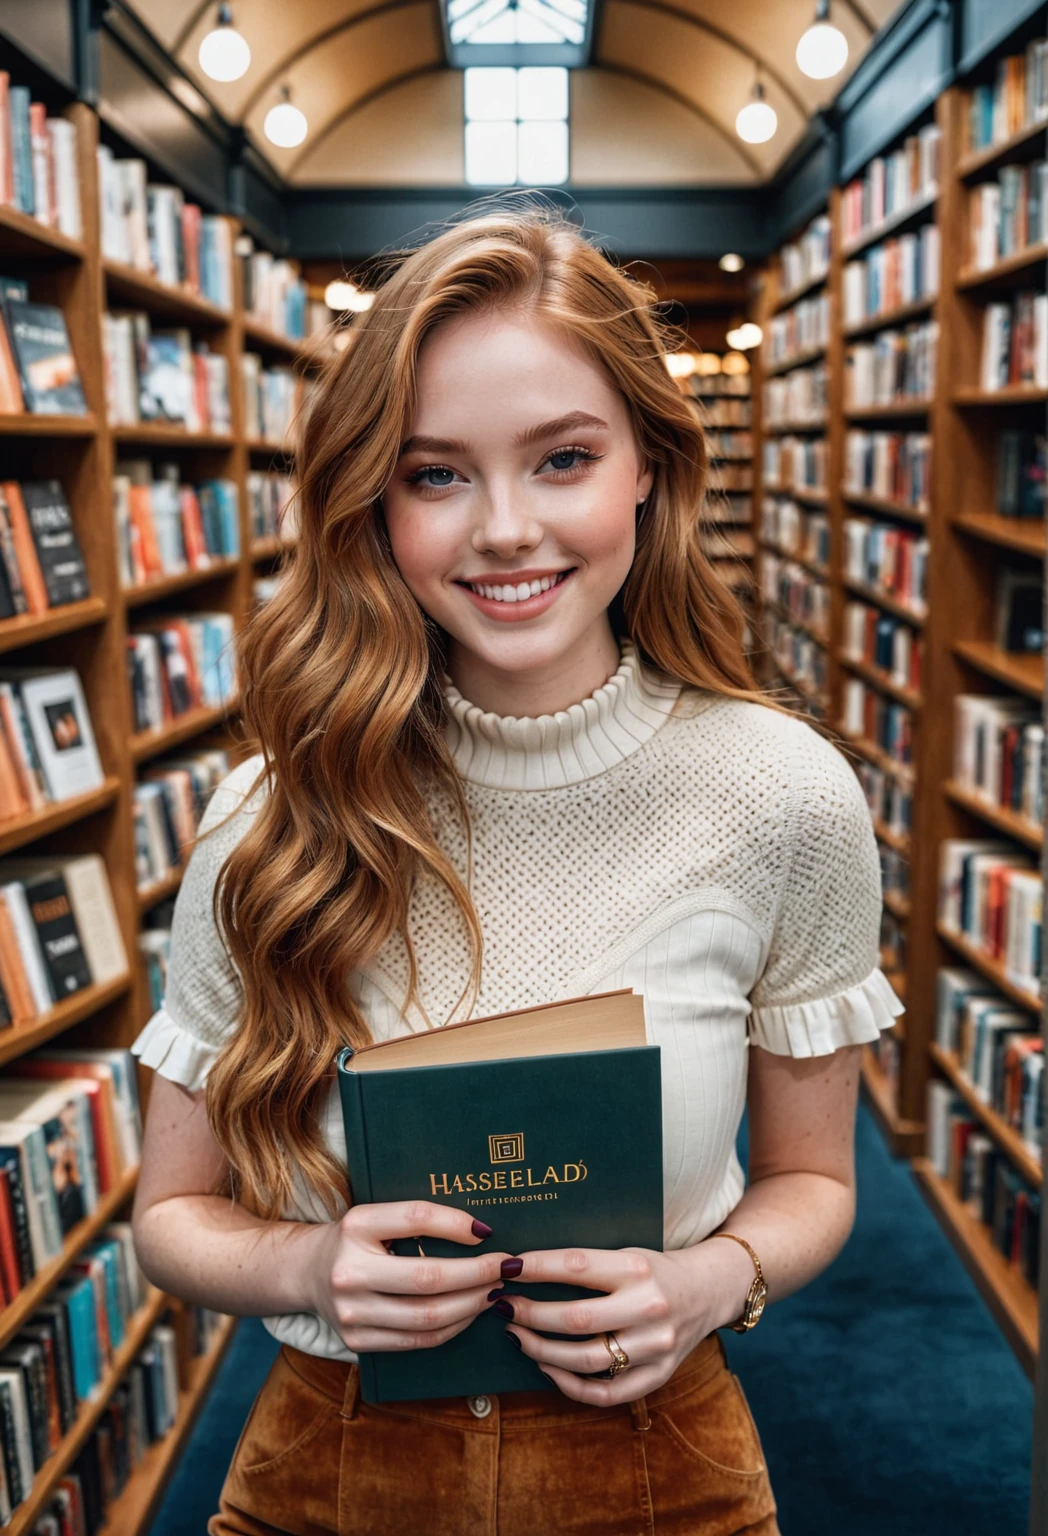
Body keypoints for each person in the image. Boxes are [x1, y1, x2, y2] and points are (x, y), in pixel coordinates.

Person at [129, 204, 904, 1536]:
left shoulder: (781, 793)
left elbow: (815, 1185)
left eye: (562, 459)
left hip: (659, 1466)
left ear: (649, 467)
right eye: (435, 474)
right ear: (372, 498)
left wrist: (715, 1279)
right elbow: (172, 1218)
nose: (504, 528)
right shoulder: (271, 812)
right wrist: (307, 1264)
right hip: (331, 1464)